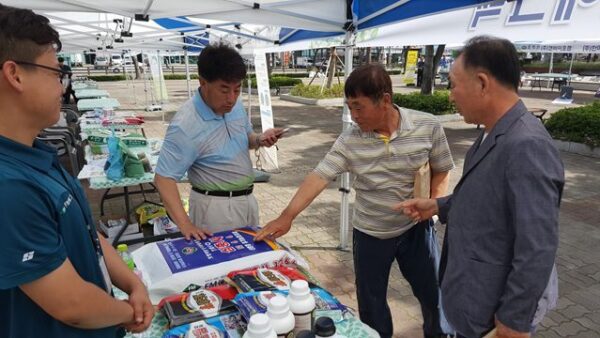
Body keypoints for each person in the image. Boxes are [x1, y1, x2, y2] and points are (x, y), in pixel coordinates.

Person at [255, 64, 455, 338]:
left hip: (416, 231)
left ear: (385, 100)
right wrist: (287, 215)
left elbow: (442, 168)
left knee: (433, 295)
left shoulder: (427, 126)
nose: (353, 115)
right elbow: (319, 176)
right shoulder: (350, 140)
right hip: (370, 233)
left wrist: (432, 206)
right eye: (349, 106)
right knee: (372, 306)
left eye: (359, 107)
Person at [0, 4, 154, 338]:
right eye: (57, 73)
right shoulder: (9, 185)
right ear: (15, 75)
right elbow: (72, 305)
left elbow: (87, 232)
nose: (62, 87)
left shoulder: (35, 154)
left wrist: (132, 284)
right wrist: (130, 311)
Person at [397, 36, 564, 338]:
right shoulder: (495, 132)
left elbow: (537, 246)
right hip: (473, 298)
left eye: (453, 84)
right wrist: (438, 206)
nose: (451, 95)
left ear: (483, 83)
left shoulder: (527, 145)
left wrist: (514, 321)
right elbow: (487, 197)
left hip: (494, 312)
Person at [154, 43, 284, 240]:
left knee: (246, 263)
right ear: (203, 82)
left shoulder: (236, 106)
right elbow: (163, 179)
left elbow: (245, 138)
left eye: (237, 89)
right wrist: (185, 224)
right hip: (214, 209)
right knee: (224, 267)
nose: (231, 98)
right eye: (224, 90)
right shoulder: (185, 125)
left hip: (247, 200)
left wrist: (259, 139)